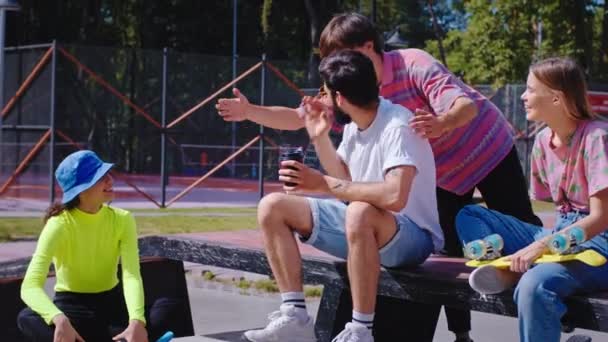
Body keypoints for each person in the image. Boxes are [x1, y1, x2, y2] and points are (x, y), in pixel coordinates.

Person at [216, 13, 541, 342]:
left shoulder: (413, 64)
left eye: (339, 55)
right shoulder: (351, 87)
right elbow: (302, 116)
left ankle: (554, 295)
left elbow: (464, 106)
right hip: (434, 172)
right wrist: (250, 112)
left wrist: (442, 123)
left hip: (484, 147)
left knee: (519, 232)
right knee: (455, 248)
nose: (335, 64)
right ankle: (462, 334)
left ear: (367, 47)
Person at [243, 50, 443, 342]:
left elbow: (394, 197)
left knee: (359, 211)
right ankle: (294, 317)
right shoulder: (354, 128)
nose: (320, 97)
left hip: (413, 239)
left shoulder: (398, 125)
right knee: (272, 206)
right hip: (364, 227)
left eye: (324, 91)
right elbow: (345, 181)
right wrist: (319, 136)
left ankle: (361, 331)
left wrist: (323, 184)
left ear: (339, 97)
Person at [455, 57, 608, 342]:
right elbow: (556, 209)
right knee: (470, 214)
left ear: (556, 98)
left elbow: (601, 217)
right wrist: (543, 243)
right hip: (558, 234)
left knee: (533, 286)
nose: (524, 96)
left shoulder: (597, 137)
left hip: (600, 244)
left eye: (530, 89)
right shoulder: (541, 142)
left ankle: (512, 274)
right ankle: (492, 256)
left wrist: (540, 246)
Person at [17, 150, 177, 342]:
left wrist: (136, 321)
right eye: (101, 177)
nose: (110, 180)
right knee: (26, 317)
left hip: (112, 306)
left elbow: (131, 275)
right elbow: (29, 287)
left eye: (108, 174)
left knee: (168, 306)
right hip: (72, 308)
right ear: (81, 190)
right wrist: (58, 319)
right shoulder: (58, 225)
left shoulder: (123, 219)